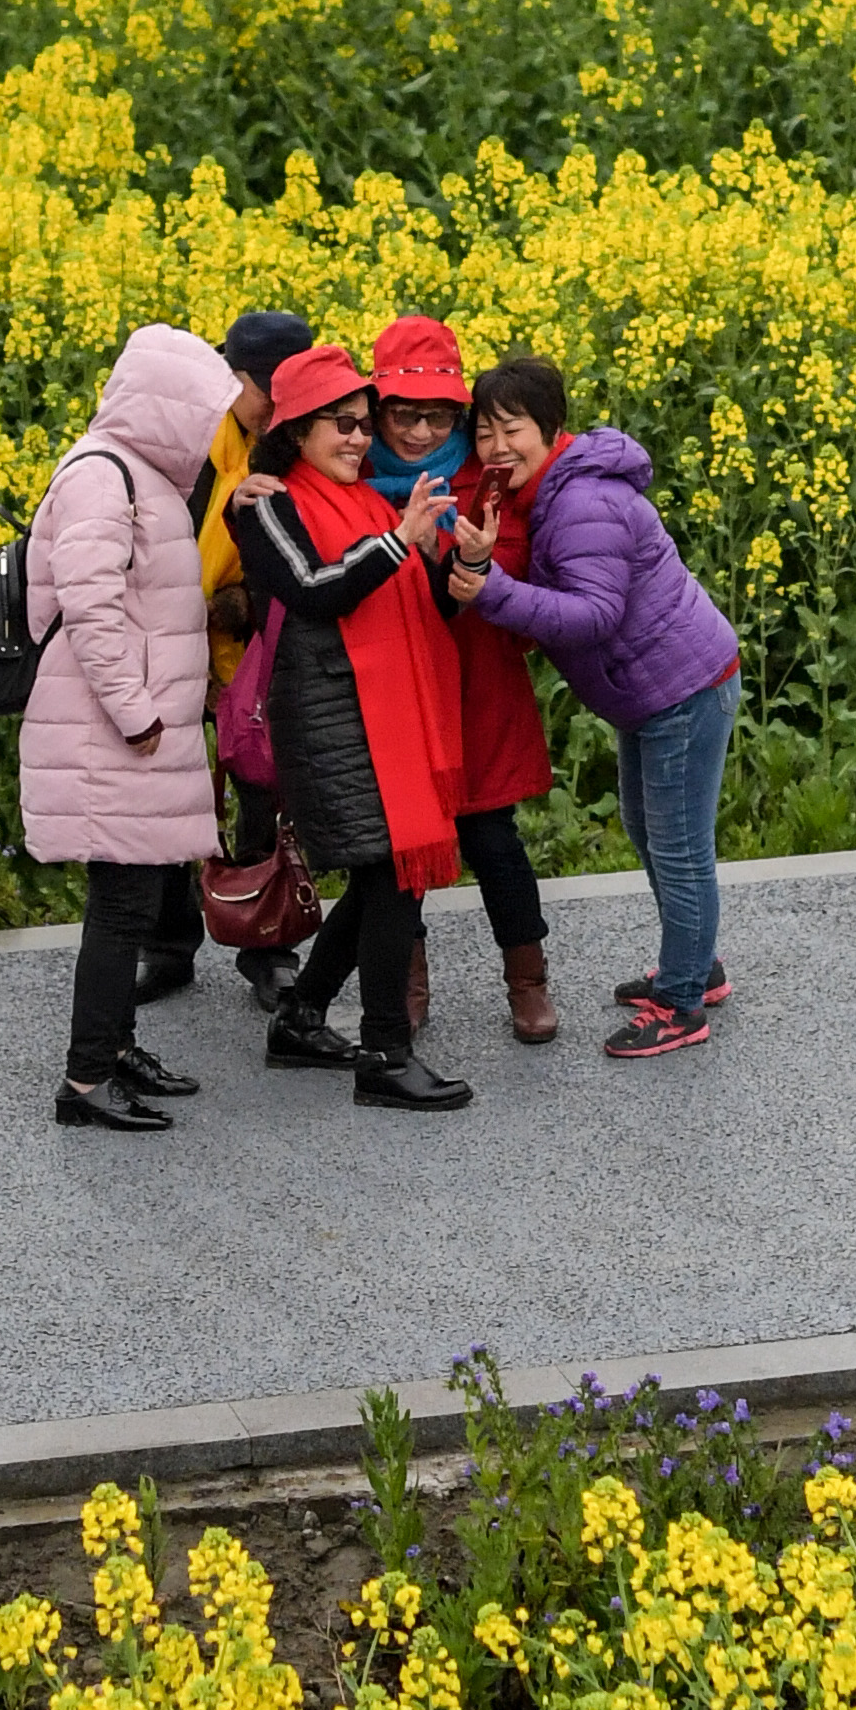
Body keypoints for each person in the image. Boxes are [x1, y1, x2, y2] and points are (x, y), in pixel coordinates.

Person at [448, 356, 739, 1059]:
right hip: (654, 690)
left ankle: (680, 1004)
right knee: (651, 834)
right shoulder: (554, 488)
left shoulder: (581, 502)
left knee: (678, 849)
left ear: (552, 429)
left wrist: (487, 590)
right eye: (484, 432)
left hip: (679, 689)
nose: (496, 448)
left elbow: (594, 615)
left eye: (511, 429)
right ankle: (693, 968)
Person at [228, 342, 475, 1111]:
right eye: (339, 423)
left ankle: (302, 1017)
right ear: (295, 428)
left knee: (385, 877)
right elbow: (312, 591)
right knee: (390, 874)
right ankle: (384, 1053)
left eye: (364, 424)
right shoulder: (267, 504)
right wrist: (400, 538)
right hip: (335, 718)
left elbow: (417, 607)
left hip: (388, 714)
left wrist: (462, 570)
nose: (358, 438)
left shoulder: (371, 504)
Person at [19, 323, 241, 1132]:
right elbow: (92, 608)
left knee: (135, 899)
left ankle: (116, 1050)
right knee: (121, 907)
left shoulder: (141, 477)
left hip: (133, 735)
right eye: (203, 414)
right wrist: (138, 715)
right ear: (167, 410)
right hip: (109, 737)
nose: (212, 434)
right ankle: (85, 1081)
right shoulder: (101, 477)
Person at [366, 316, 559, 1044]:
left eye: (439, 414)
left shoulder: (494, 474)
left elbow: (565, 509)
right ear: (376, 408)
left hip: (479, 688)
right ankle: (404, 987)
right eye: (403, 414)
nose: (420, 431)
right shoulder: (344, 471)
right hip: (395, 695)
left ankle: (528, 982)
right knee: (401, 850)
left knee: (492, 840)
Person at [139, 305, 318, 1015]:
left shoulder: (302, 438)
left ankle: (266, 946)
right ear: (232, 378)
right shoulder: (185, 441)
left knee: (262, 792)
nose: (279, 407)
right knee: (168, 790)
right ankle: (166, 945)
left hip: (255, 646)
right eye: (268, 392)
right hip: (178, 640)